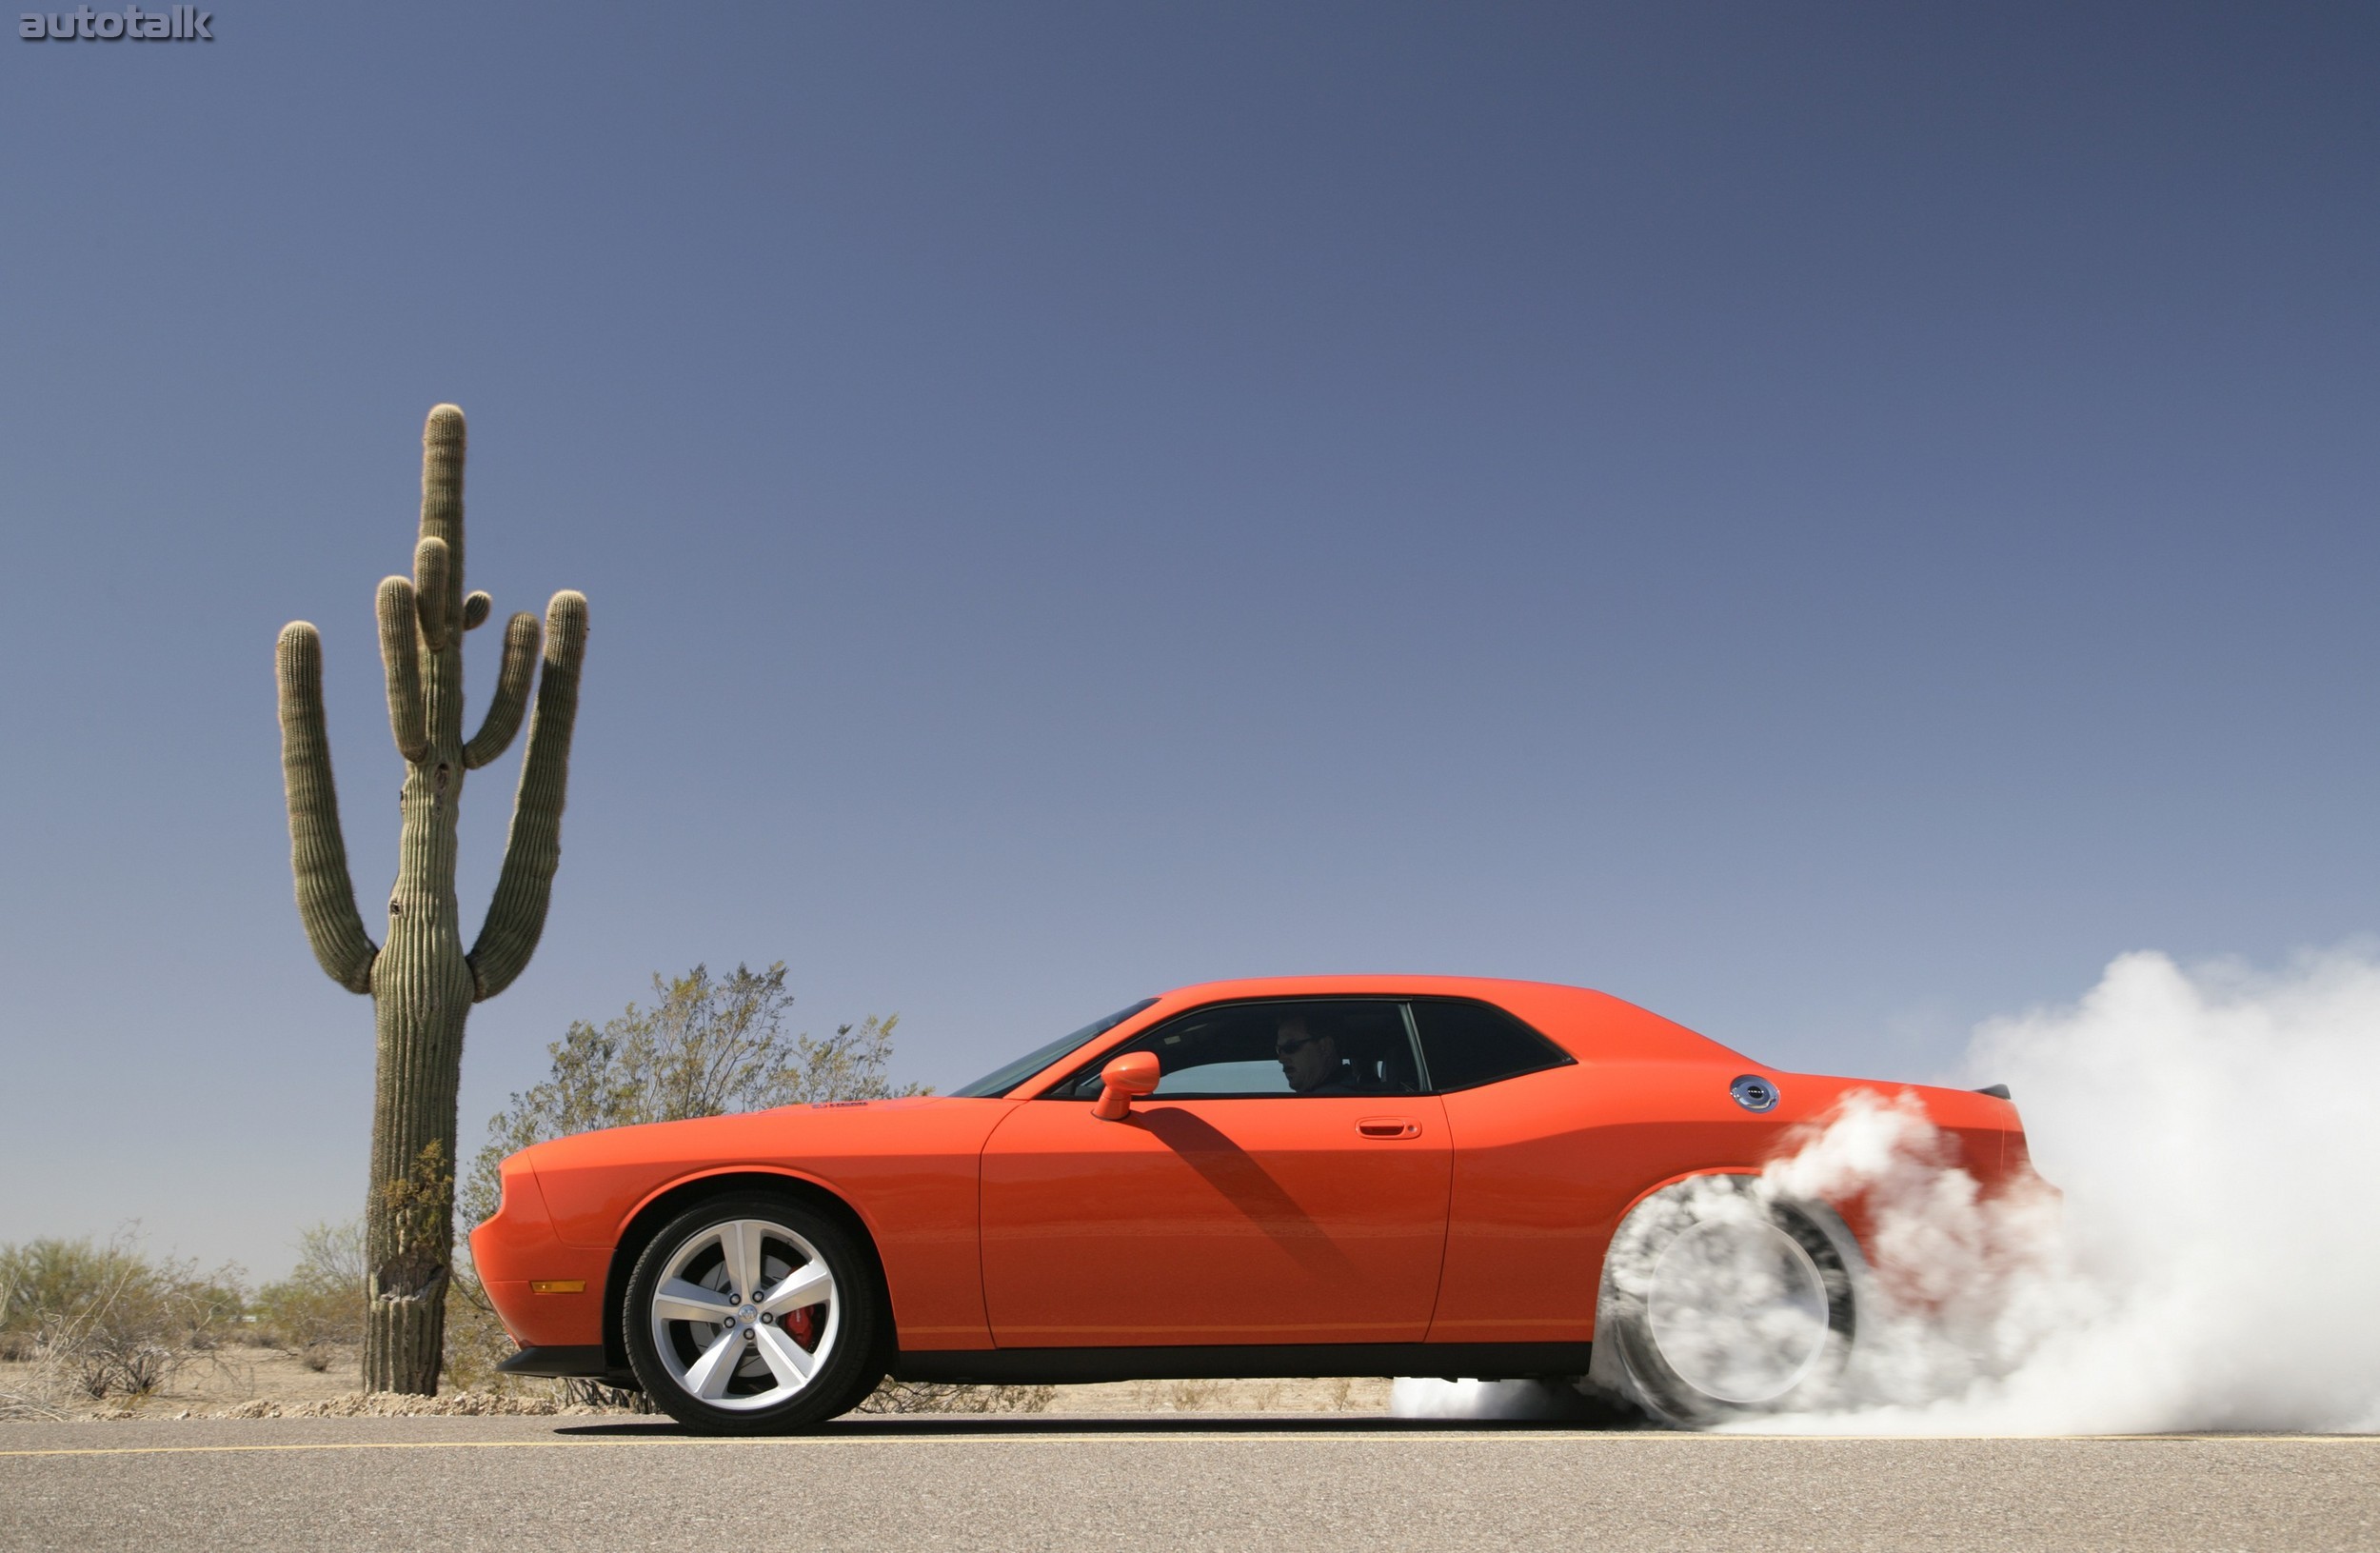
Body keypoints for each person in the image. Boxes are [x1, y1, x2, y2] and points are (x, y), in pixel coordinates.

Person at [1276, 1011, 1359, 1094]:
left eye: (1291, 1047)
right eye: (1279, 1050)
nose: (1281, 1059)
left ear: (1325, 1046)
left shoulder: (1335, 1100)